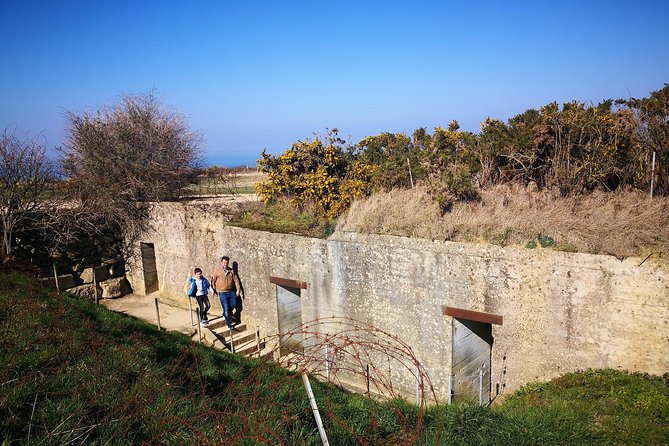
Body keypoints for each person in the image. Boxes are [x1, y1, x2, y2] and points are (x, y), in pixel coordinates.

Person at [211, 256, 241, 329]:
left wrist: (238, 289)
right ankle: (229, 324)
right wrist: (214, 290)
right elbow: (213, 281)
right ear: (221, 262)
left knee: (234, 304)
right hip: (222, 292)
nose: (225, 264)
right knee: (226, 308)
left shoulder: (231, 271)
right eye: (224, 262)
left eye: (227, 263)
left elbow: (236, 280)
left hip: (231, 292)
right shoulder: (217, 271)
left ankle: (226, 314)